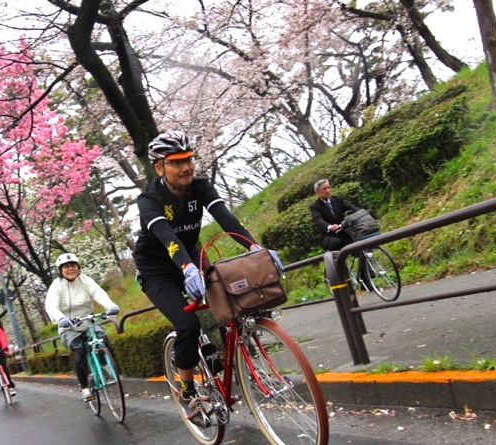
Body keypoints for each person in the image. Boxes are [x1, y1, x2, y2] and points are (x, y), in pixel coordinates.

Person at [133, 129, 283, 405]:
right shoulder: (149, 199)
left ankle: (234, 360)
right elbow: (167, 236)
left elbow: (226, 219)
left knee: (230, 304)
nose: (186, 167)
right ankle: (188, 387)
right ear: (159, 166)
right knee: (187, 324)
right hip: (156, 269)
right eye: (176, 162)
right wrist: (187, 268)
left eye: (188, 159)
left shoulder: (201, 187)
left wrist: (255, 248)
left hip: (192, 254)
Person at [45, 253, 120, 402]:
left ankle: (105, 365)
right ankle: (85, 388)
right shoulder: (57, 285)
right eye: (66, 267)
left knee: (102, 338)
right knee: (79, 350)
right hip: (68, 325)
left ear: (78, 267)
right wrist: (61, 318)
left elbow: (97, 292)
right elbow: (51, 305)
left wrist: (110, 305)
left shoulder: (85, 280)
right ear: (60, 270)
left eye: (73, 266)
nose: (70, 269)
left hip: (88, 320)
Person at [309, 179, 360, 251]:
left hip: (342, 230)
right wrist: (330, 227)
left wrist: (360, 214)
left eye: (328, 187)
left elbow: (350, 207)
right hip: (328, 235)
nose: (328, 190)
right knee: (336, 243)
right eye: (324, 189)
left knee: (358, 242)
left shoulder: (337, 199)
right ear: (318, 192)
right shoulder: (315, 206)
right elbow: (318, 220)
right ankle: (336, 261)